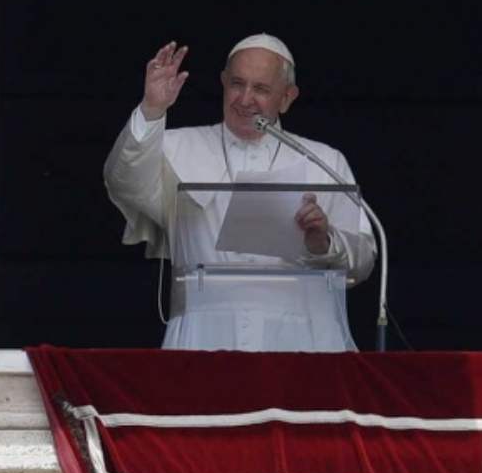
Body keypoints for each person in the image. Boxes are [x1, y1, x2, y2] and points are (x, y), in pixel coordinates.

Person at [104, 33, 376, 352]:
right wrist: (151, 110)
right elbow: (123, 180)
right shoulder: (175, 147)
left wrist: (323, 242)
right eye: (237, 84)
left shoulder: (325, 161)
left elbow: (363, 259)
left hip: (306, 341)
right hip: (203, 337)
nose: (245, 99)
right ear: (223, 83)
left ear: (287, 97)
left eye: (261, 89)